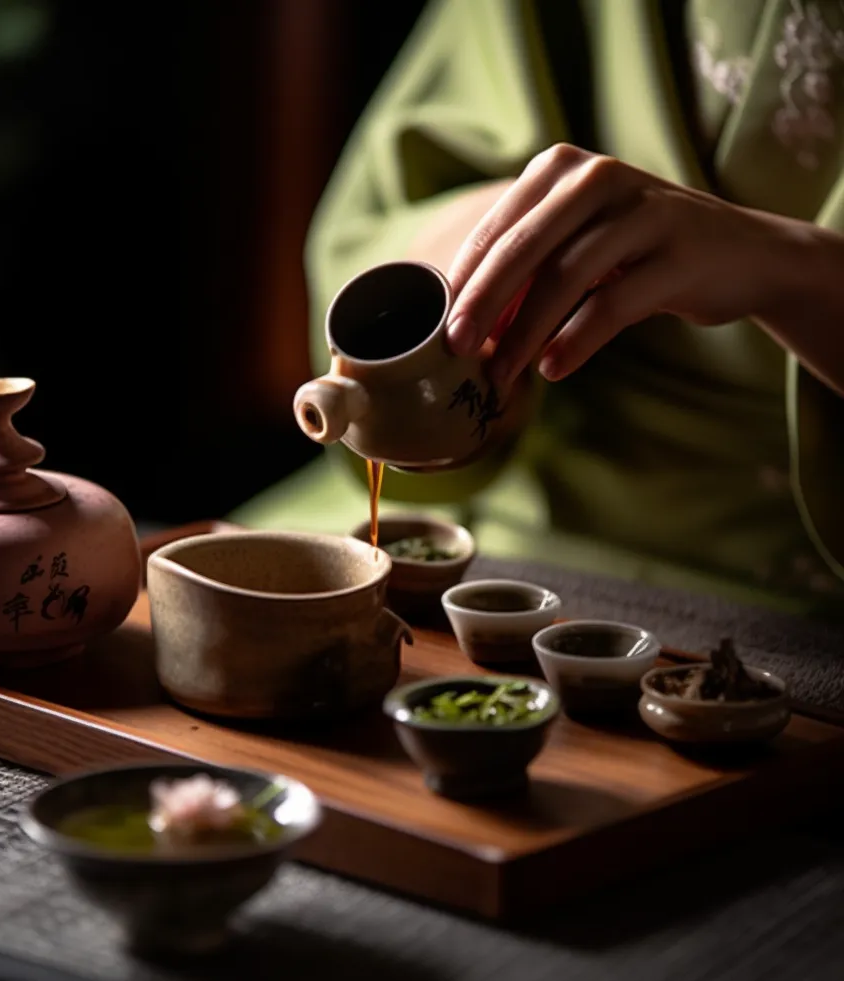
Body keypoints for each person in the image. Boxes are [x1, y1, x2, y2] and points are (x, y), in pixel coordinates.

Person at [231, 0, 844, 616]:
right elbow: (390, 202)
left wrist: (797, 271)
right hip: (496, 502)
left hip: (783, 581)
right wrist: (496, 240)